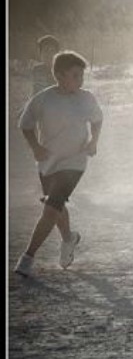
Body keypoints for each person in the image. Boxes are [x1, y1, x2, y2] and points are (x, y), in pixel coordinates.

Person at [14, 50, 103, 277]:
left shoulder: (86, 98)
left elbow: (97, 119)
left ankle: (27, 257)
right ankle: (69, 239)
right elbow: (25, 124)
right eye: (75, 76)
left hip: (74, 162)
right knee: (56, 207)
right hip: (48, 163)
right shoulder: (43, 99)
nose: (80, 80)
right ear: (59, 75)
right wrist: (35, 147)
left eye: (82, 76)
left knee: (51, 208)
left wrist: (94, 141)